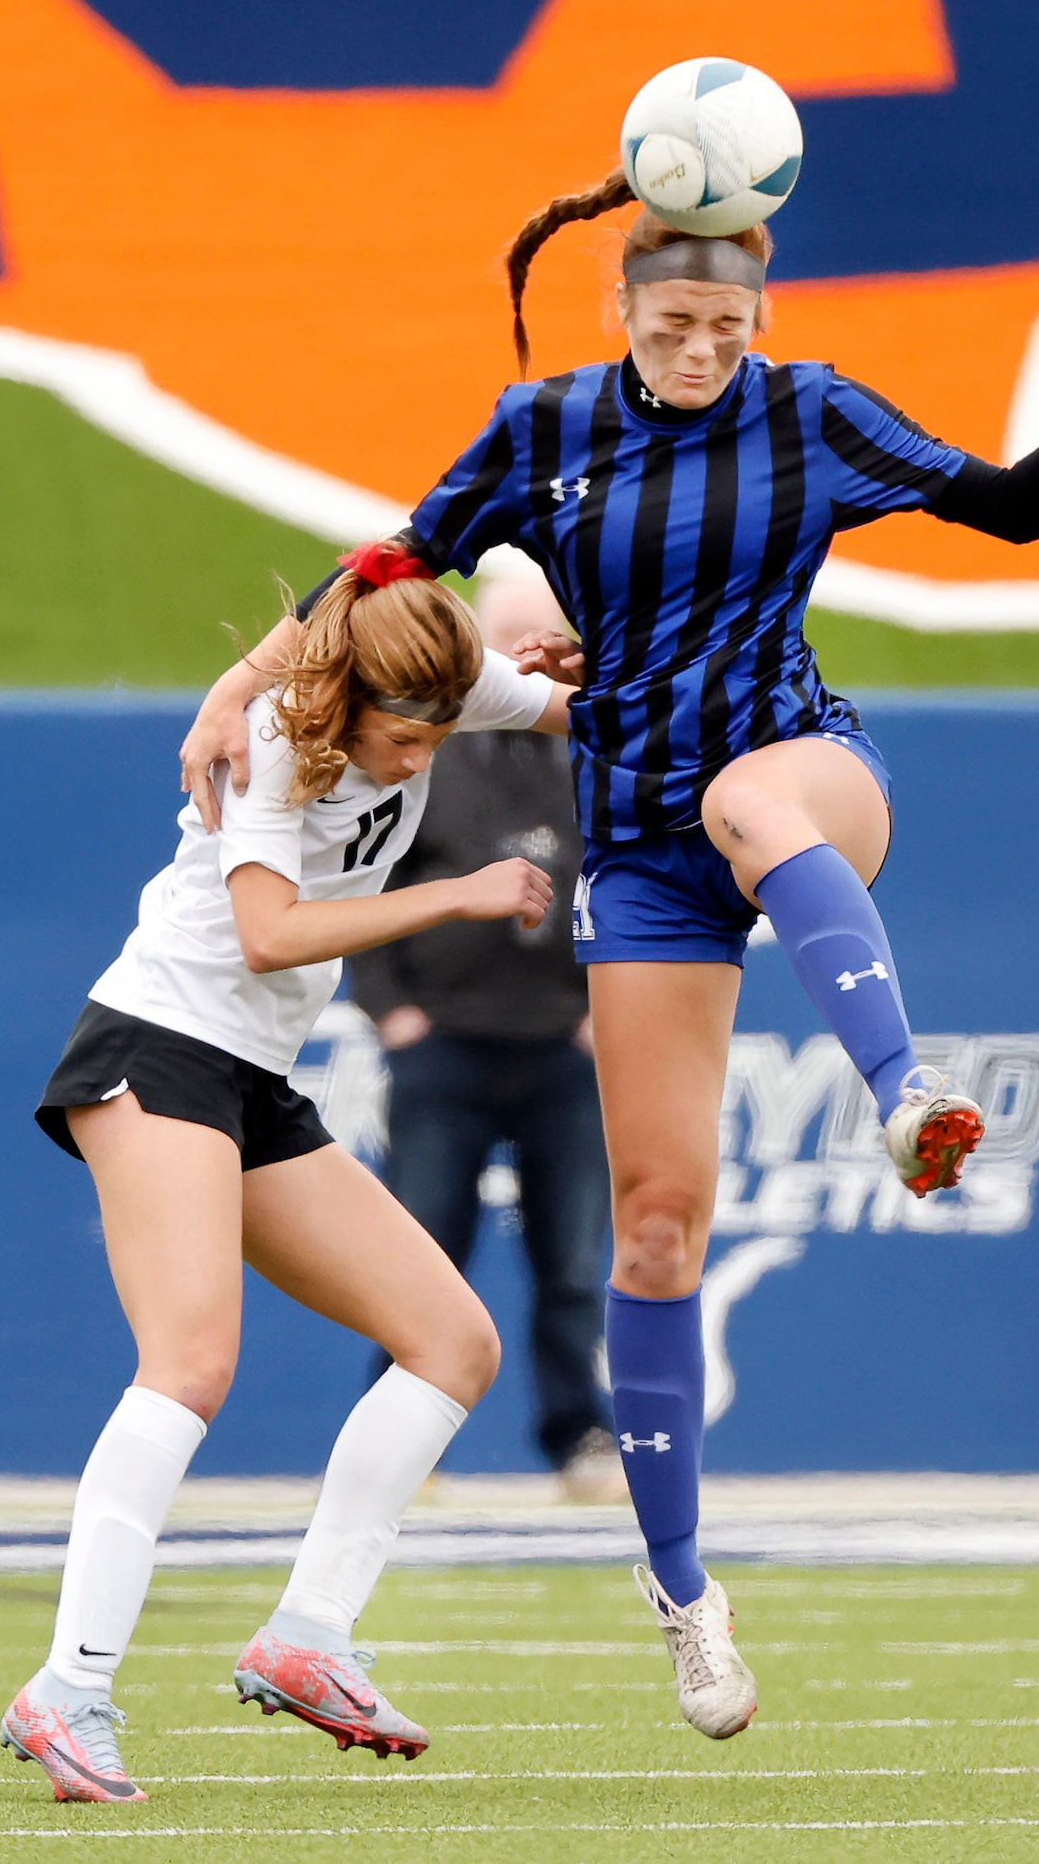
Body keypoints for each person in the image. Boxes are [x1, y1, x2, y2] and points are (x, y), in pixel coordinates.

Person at [179, 168, 1039, 1742]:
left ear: (758, 318)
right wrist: (241, 681)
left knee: (750, 790)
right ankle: (683, 1596)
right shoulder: (544, 428)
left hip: (798, 769)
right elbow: (387, 569)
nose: (699, 344)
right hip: (635, 842)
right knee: (653, 1228)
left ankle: (904, 1093)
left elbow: (1003, 504)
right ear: (620, 312)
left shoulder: (808, 413)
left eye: (724, 321)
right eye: (672, 320)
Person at [1, 543, 569, 1803]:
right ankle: (69, 1688)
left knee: (451, 1342)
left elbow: (561, 699)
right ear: (345, 699)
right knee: (191, 1365)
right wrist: (456, 894)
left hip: (250, 1077)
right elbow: (267, 938)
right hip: (155, 1049)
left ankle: (308, 1637)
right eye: (401, 741)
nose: (421, 760)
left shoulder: (443, 677)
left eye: (438, 737)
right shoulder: (272, 733)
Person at [348, 574, 620, 1500]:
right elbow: (367, 880)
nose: (521, 658)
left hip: (561, 1043)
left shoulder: (590, 755)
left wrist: (603, 1011)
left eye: (540, 638)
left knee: (573, 1260)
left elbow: (625, 880)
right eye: (503, 638)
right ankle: (401, 1442)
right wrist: (392, 1009)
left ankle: (579, 1435)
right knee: (419, 1250)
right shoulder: (423, 749)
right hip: (445, 1042)